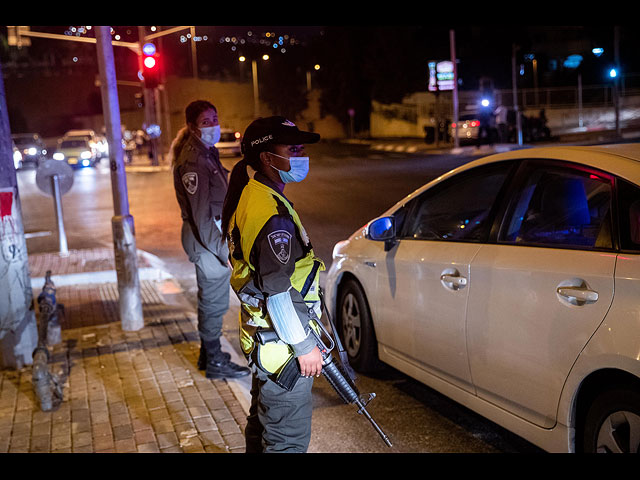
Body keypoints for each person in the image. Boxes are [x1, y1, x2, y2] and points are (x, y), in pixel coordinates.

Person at [221, 116, 323, 453]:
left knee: (262, 425)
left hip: (264, 340)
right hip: (283, 346)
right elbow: (276, 289)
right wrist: (304, 345)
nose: (299, 151)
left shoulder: (255, 195)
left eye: (300, 145)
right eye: (290, 146)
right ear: (266, 157)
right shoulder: (268, 211)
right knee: (287, 442)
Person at [170, 100, 250, 380]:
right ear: (192, 127)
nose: (213, 125)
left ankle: (208, 355)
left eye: (215, 118)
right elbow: (202, 218)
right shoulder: (193, 160)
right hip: (207, 243)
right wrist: (225, 251)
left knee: (212, 300)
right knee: (214, 302)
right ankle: (215, 361)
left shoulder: (206, 153)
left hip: (210, 239)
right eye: (206, 122)